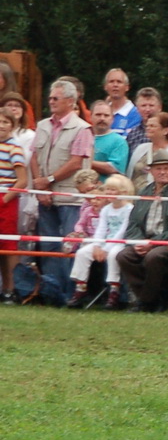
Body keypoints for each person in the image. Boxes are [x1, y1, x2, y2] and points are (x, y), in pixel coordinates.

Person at [27, 78, 94, 306]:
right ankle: (50, 292)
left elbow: (76, 163)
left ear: (70, 100)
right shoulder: (42, 125)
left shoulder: (82, 129)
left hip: (70, 198)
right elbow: (34, 155)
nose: (51, 101)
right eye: (50, 98)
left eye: (55, 98)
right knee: (48, 245)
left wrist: (49, 180)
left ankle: (69, 294)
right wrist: (39, 183)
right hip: (45, 194)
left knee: (69, 244)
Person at [115, 149, 168, 311]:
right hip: (144, 240)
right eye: (158, 169)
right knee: (124, 256)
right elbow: (133, 223)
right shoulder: (145, 192)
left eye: (167, 168)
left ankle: (146, 302)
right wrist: (139, 241)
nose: (163, 172)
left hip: (167, 242)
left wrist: (152, 243)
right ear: (151, 171)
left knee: (154, 257)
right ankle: (150, 298)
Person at [70, 174, 134, 308]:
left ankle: (114, 291)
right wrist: (97, 245)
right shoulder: (106, 209)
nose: (109, 193)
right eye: (108, 189)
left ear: (123, 192)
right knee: (82, 253)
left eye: (113, 190)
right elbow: (101, 228)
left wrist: (106, 249)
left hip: (120, 242)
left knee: (113, 255)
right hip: (105, 241)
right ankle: (80, 289)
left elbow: (122, 231)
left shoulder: (129, 209)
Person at [0, 107, 26, 302]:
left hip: (6, 202)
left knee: (7, 246)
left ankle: (10, 288)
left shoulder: (14, 148)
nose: (1, 126)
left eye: (5, 122)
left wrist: (5, 199)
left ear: (13, 125)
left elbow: (22, 180)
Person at [129, 112, 168, 186]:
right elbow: (130, 173)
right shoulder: (141, 149)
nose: (148, 128)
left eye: (152, 126)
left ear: (165, 130)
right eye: (147, 126)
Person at [88, 101, 131, 178]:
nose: (102, 118)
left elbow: (114, 168)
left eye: (106, 115)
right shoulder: (83, 137)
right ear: (90, 116)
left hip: (106, 188)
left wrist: (84, 162)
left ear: (112, 119)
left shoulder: (119, 141)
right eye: (98, 115)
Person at [123, 88, 162, 153]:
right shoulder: (132, 134)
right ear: (137, 109)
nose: (147, 109)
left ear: (160, 107)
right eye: (143, 106)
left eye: (151, 105)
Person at [103, 69, 140, 135]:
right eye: (111, 81)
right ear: (105, 86)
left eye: (119, 82)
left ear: (127, 87)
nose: (115, 85)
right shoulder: (101, 113)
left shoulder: (136, 113)